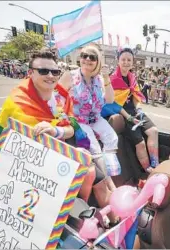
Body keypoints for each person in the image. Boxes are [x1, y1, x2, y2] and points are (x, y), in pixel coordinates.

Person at [0, 51, 95, 202]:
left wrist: (55, 130)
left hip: (58, 154)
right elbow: (0, 138)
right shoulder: (17, 101)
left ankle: (78, 209)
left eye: (55, 72)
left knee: (91, 169)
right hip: (26, 166)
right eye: (43, 71)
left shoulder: (62, 97)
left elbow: (70, 129)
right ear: (31, 73)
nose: (50, 76)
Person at [59, 45, 120, 222]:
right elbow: (58, 100)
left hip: (95, 118)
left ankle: (112, 168)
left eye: (92, 57)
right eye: (84, 56)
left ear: (97, 62)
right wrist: (64, 123)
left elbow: (110, 100)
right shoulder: (70, 76)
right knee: (93, 145)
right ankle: (110, 183)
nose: (87, 59)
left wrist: (107, 78)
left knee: (112, 138)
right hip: (78, 119)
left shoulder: (100, 79)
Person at [102, 45, 159, 173]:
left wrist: (139, 110)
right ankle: (148, 170)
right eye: (123, 59)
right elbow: (114, 104)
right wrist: (130, 117)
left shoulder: (132, 77)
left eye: (129, 60)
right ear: (118, 61)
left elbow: (136, 96)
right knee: (140, 143)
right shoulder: (112, 79)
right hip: (122, 113)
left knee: (153, 131)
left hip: (134, 111)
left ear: (132, 62)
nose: (126, 62)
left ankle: (155, 163)